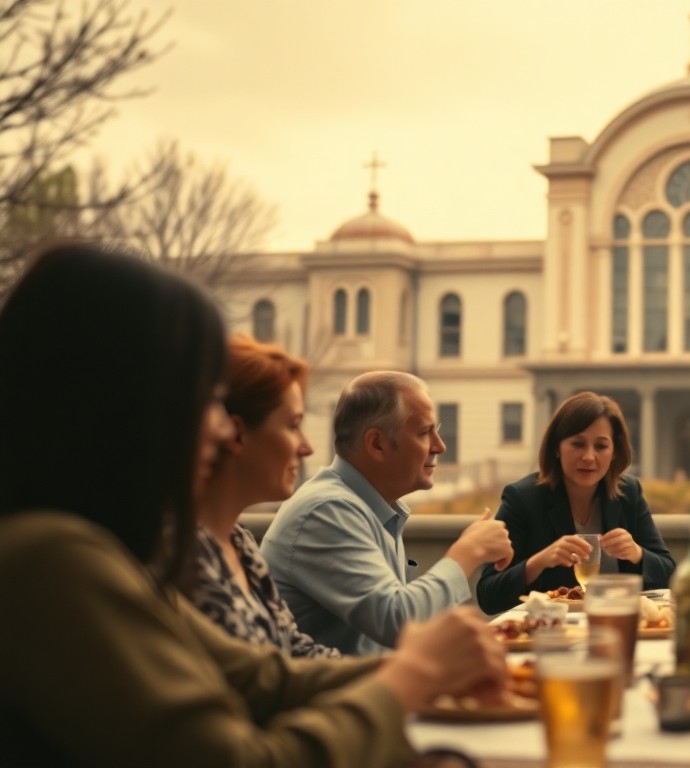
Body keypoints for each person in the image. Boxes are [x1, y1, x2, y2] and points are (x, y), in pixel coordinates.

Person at [0, 244, 506, 766]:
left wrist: (435, 665)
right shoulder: (48, 559)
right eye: (204, 398)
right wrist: (414, 674)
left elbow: (261, 675)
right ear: (123, 404)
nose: (224, 429)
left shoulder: (118, 550)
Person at [262, 371, 513, 655]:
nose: (440, 446)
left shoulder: (370, 505)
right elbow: (399, 622)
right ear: (377, 444)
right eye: (424, 433)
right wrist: (468, 553)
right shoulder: (327, 510)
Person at [193, 334, 340, 657]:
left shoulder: (239, 542)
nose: (307, 447)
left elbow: (295, 652)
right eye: (293, 425)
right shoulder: (181, 557)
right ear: (236, 434)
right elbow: (267, 681)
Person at [476, 392, 675, 614]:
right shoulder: (522, 498)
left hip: (619, 622)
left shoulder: (629, 493)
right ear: (556, 448)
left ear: (614, 452)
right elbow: (488, 596)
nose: (589, 457)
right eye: (578, 444)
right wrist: (540, 561)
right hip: (553, 633)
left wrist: (637, 553)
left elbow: (670, 575)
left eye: (601, 446)